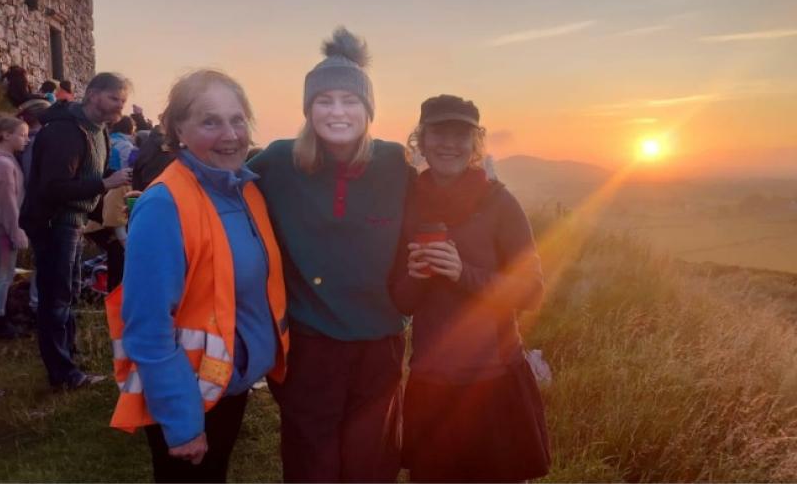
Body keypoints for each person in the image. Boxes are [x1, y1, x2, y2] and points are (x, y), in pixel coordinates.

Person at [106, 69, 289, 483]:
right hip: (188, 397)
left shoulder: (244, 191)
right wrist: (182, 422)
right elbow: (147, 328)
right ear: (178, 131)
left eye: (237, 119)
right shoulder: (165, 204)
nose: (230, 134)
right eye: (210, 121)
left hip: (227, 387)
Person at [248, 27, 412, 483]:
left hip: (380, 340)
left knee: (372, 458)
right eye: (325, 101)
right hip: (308, 341)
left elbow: (445, 193)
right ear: (308, 109)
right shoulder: (277, 162)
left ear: (368, 109)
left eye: (350, 101)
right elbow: (221, 190)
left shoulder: (396, 164)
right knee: (310, 457)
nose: (337, 111)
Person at [390, 94, 551, 482]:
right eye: (438, 132)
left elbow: (531, 292)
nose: (449, 143)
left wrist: (463, 273)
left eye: (461, 134)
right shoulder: (407, 204)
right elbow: (402, 301)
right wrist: (415, 275)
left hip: (494, 382)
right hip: (431, 382)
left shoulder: (500, 203)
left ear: (475, 143)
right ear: (421, 141)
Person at [19, 72, 133, 390]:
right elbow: (53, 187)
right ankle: (63, 374)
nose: (119, 107)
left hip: (73, 223)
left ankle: (69, 362)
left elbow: (89, 172)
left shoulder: (98, 131)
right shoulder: (66, 131)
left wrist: (112, 182)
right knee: (55, 299)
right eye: (114, 99)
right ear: (94, 94)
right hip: (55, 222)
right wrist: (104, 183)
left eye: (122, 101)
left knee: (65, 295)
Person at [15, 98, 51, 317]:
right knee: (43, 259)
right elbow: (31, 178)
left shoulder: (30, 141)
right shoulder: (35, 143)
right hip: (35, 208)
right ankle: (36, 305)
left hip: (30, 206)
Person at [0, 114, 30, 339]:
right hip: (3, 231)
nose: (26, 140)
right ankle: (0, 320)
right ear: (6, 135)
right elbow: (7, 201)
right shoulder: (4, 163)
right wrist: (16, 231)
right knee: (3, 275)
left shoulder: (7, 161)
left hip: (3, 229)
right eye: (22, 135)